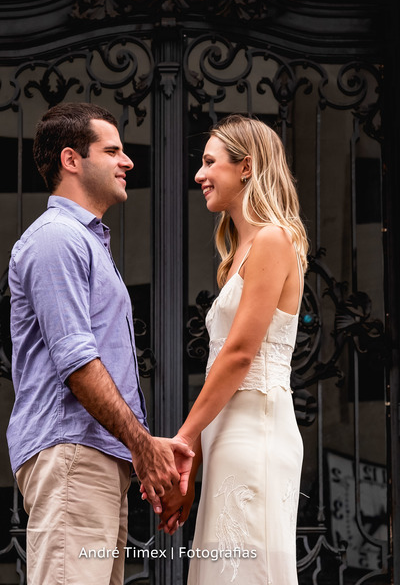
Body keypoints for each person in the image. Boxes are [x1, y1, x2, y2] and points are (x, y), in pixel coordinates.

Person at [7, 102, 193, 585]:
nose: (127, 161)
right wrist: (143, 447)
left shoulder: (85, 242)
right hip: (73, 454)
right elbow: (77, 361)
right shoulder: (57, 239)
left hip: (96, 459)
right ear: (72, 160)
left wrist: (142, 450)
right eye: (112, 150)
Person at [160, 114, 308, 584]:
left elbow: (241, 355)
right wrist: (195, 463)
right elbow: (217, 370)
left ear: (245, 167)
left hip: (257, 436)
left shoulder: (271, 240)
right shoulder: (235, 259)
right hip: (227, 439)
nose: (199, 174)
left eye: (209, 162)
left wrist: (182, 440)